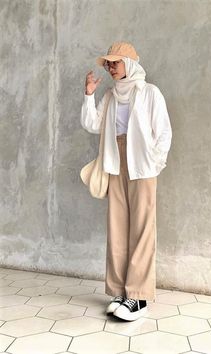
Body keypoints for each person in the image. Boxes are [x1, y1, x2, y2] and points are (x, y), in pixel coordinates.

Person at [80, 41, 172, 321]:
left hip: (142, 166)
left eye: (115, 62)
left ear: (129, 64)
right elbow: (93, 125)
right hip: (115, 163)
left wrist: (154, 163)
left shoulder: (150, 93)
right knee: (118, 226)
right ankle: (120, 291)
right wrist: (88, 95)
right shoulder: (109, 95)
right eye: (108, 63)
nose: (110, 67)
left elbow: (164, 132)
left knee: (142, 229)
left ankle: (139, 296)